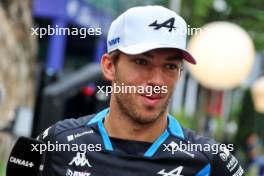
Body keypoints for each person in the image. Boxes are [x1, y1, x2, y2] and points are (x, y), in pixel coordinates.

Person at [38, 5, 244, 176]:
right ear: (109, 66)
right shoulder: (58, 142)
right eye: (141, 61)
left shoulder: (210, 161)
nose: (157, 80)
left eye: (170, 66)